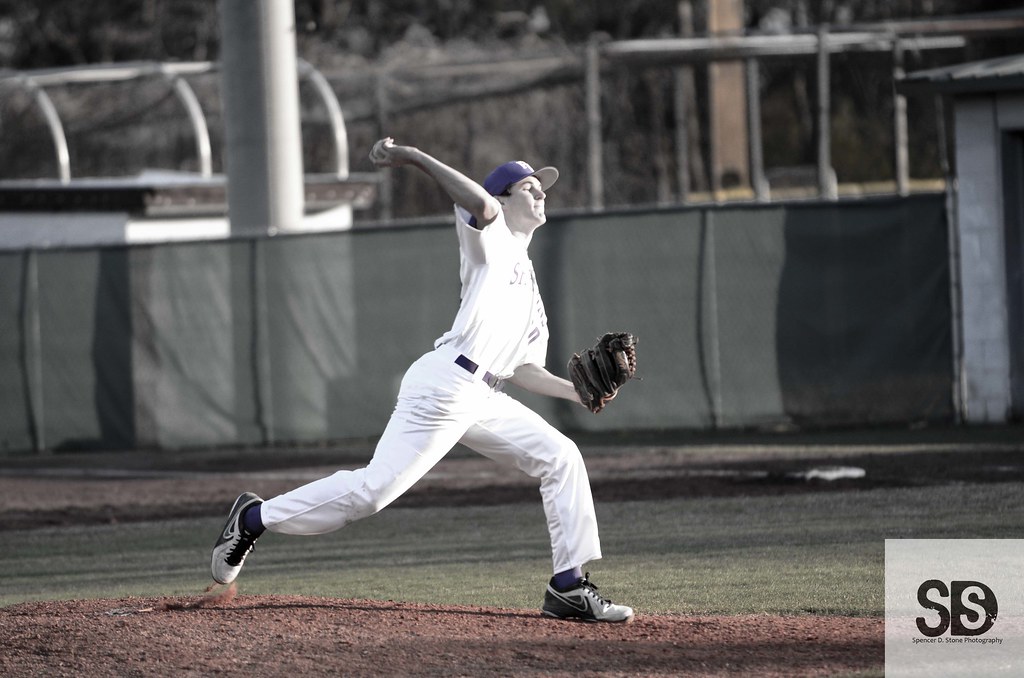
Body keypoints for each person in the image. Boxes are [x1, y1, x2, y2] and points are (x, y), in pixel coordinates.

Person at [211, 138, 633, 623]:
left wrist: (578, 393)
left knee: (561, 456)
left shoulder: (529, 285)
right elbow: (475, 202)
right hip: (445, 385)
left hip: (485, 394)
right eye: (529, 187)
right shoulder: (489, 240)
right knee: (372, 493)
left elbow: (522, 369)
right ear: (502, 200)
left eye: (543, 190)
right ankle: (252, 519)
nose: (541, 196)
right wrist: (412, 157)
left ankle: (568, 586)